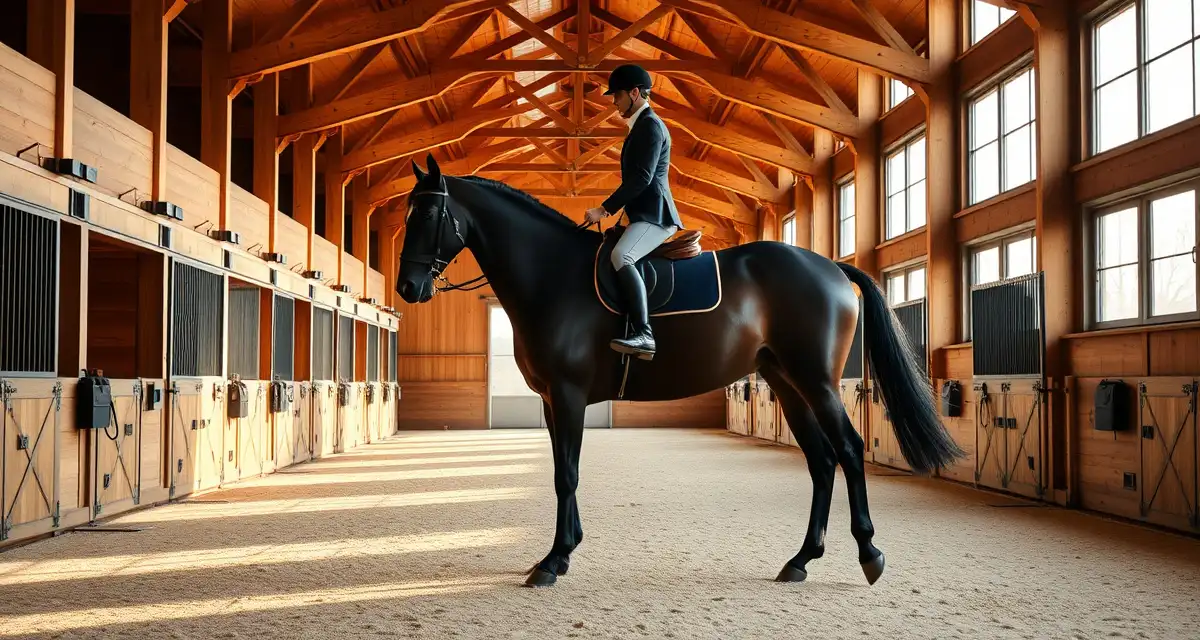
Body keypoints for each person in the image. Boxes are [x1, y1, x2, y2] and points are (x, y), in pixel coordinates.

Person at [584, 63, 684, 360]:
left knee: (621, 256)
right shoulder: (641, 126)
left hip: (656, 214)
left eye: (617, 96)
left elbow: (641, 178)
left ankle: (644, 333)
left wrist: (604, 210)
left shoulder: (650, 126)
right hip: (642, 213)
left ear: (635, 93)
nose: (614, 102)